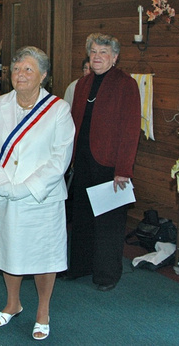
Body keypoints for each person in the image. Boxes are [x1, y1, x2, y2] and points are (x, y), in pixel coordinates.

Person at [0, 46, 74, 341]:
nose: (20, 74)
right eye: (16, 69)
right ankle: (13, 303)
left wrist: (28, 188)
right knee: (10, 250)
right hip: (5, 193)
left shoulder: (58, 109)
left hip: (41, 197)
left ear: (43, 75)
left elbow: (60, 157)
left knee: (44, 255)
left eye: (28, 69)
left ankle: (43, 311)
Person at [66, 33, 140, 292]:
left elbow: (131, 129)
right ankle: (80, 266)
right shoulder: (83, 84)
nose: (97, 57)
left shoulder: (125, 84)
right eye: (94, 52)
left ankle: (107, 274)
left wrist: (123, 170)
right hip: (84, 160)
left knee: (109, 222)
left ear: (115, 57)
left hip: (110, 164)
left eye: (104, 53)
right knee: (82, 217)